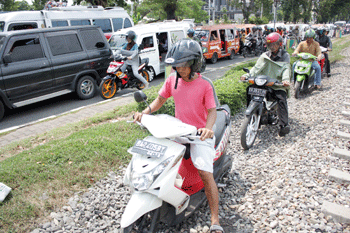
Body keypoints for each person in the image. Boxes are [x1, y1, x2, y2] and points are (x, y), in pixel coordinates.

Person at [133, 38, 224, 233]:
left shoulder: (205, 85)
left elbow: (212, 111)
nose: (178, 69)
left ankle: (215, 220)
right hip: (179, 131)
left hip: (200, 136)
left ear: (194, 63)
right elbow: (160, 100)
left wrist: (208, 129)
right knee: (161, 162)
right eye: (176, 65)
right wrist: (144, 113)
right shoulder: (172, 80)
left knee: (206, 174)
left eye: (182, 65)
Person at [240, 32, 291, 136]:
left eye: (274, 44)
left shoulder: (285, 56)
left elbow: (286, 69)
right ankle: (253, 111)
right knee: (250, 89)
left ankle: (284, 125)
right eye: (270, 45)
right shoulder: (265, 56)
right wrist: (247, 75)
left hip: (276, 84)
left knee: (281, 98)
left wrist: (285, 80)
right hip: (263, 83)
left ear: (280, 44)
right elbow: (256, 68)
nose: (272, 47)